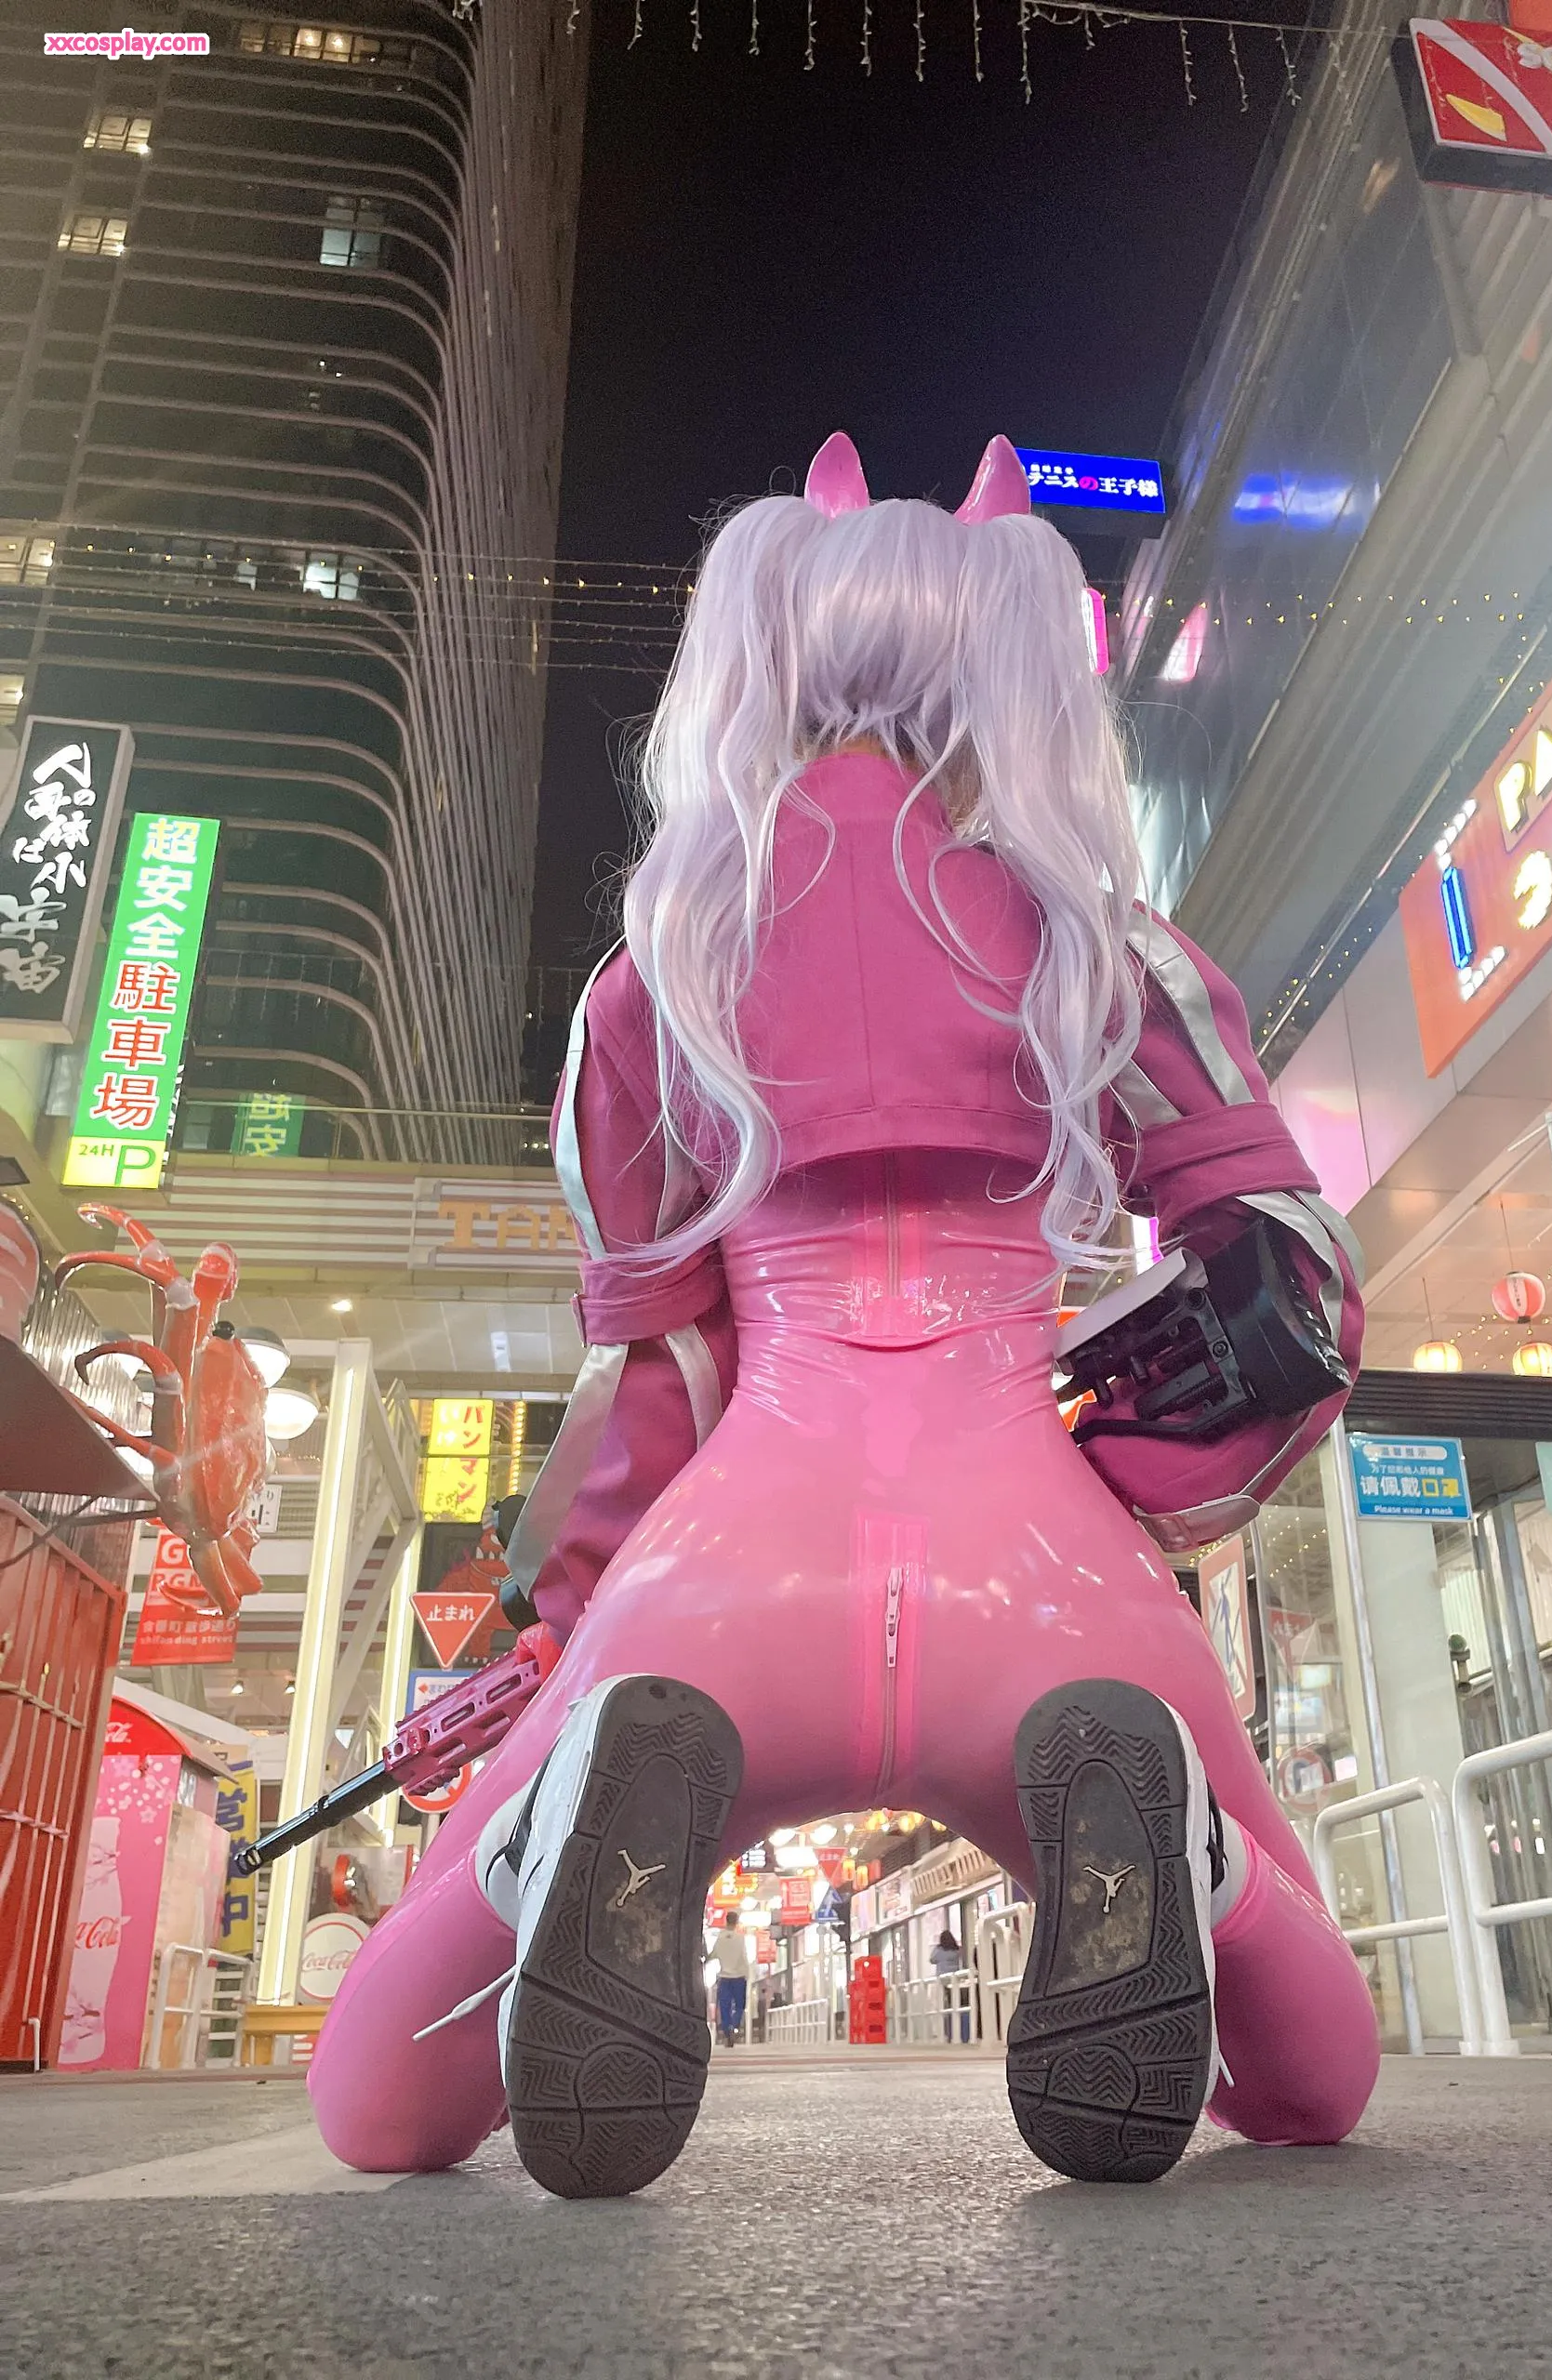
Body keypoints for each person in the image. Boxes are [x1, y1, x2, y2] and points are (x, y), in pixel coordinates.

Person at [307, 432, 1381, 2198]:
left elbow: (654, 1376)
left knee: (380, 2103)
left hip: (725, 1587)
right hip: (1044, 1584)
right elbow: (1289, 1279)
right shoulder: (1104, 951)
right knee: (1314, 2077)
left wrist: (559, 1634)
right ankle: (1187, 1848)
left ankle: (562, 1826)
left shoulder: (662, 974)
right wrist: (1142, 1485)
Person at [710, 1910, 750, 2047]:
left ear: (726, 1921)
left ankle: (727, 2031)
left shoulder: (720, 1938)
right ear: (736, 1922)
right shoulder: (740, 1938)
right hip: (739, 1977)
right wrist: (747, 1974)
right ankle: (734, 2025)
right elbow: (744, 1957)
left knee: (724, 2006)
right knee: (739, 2006)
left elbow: (714, 1954)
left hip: (724, 1977)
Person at [930, 1926, 968, 2046]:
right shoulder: (957, 1950)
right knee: (955, 2004)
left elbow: (932, 1959)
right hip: (955, 1980)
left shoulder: (939, 1950)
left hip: (942, 1980)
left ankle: (946, 2032)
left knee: (943, 2007)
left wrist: (937, 1948)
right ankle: (958, 2032)